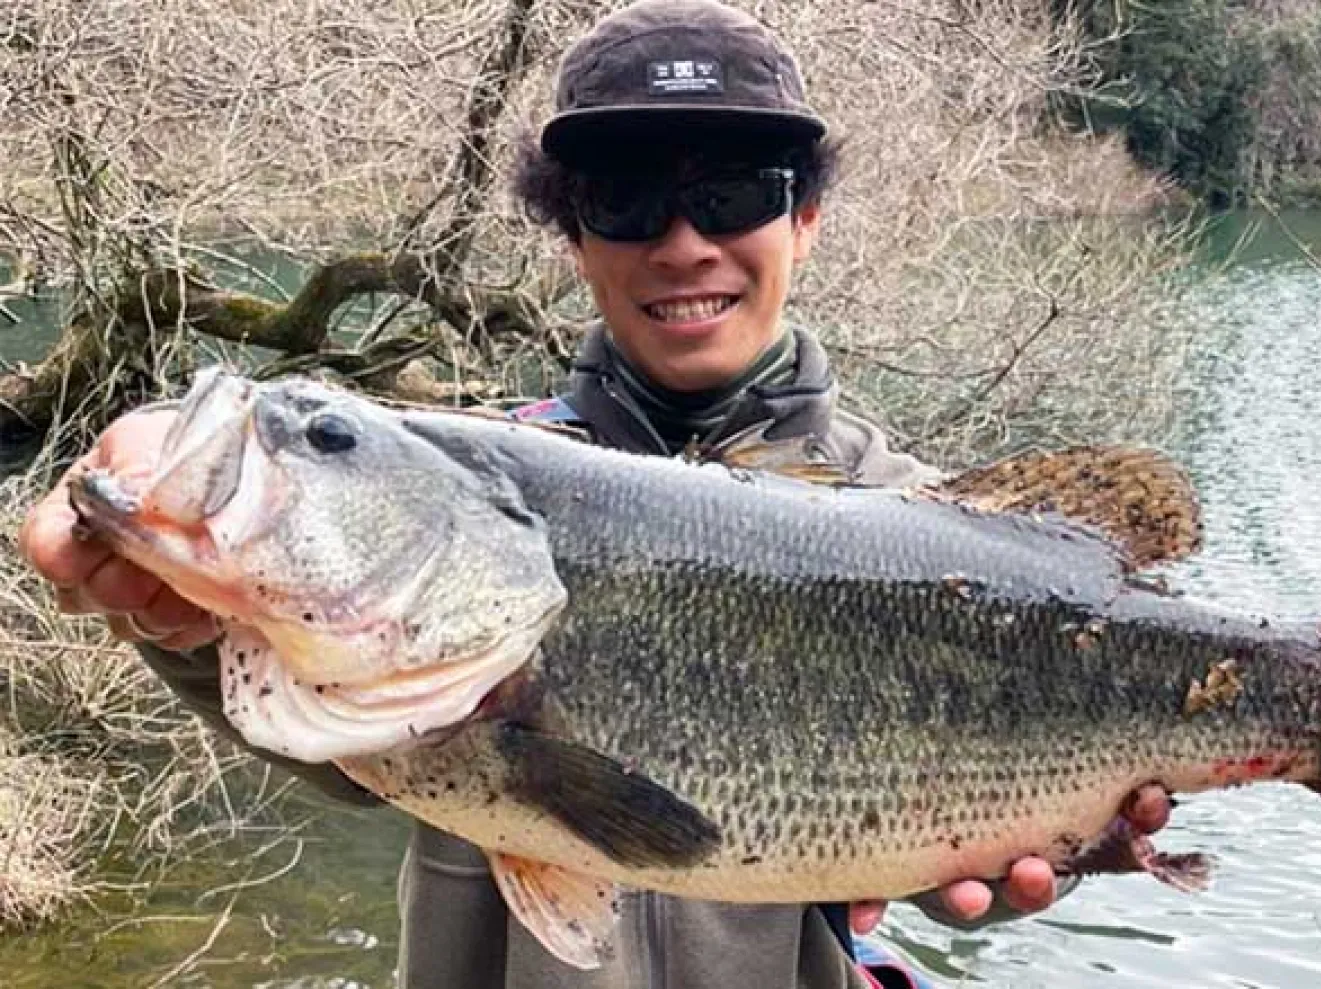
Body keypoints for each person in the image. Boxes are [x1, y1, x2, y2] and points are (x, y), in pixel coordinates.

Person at [19, 2, 1172, 987]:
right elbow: (347, 736)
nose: (683, 243)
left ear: (805, 220)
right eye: (624, 198)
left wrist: (1057, 846)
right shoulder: (467, 492)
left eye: (732, 192)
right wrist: (175, 604)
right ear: (573, 237)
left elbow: (974, 872)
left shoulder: (926, 524)